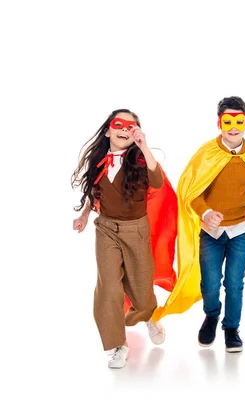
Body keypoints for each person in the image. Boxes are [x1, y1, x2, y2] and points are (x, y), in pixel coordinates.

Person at [153, 96, 245, 353]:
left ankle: (231, 328)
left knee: (234, 281)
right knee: (209, 281)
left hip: (241, 230)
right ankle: (211, 315)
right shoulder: (207, 154)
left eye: (238, 121)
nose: (233, 127)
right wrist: (205, 212)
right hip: (211, 231)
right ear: (219, 123)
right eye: (228, 121)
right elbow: (191, 191)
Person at [71, 109, 177, 369]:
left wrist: (144, 146)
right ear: (108, 130)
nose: (124, 130)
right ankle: (118, 344)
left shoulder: (141, 161)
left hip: (135, 230)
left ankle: (149, 314)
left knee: (141, 291)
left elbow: (157, 182)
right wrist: (85, 215)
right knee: (108, 287)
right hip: (106, 229)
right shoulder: (98, 160)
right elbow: (93, 191)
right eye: (119, 124)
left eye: (131, 127)